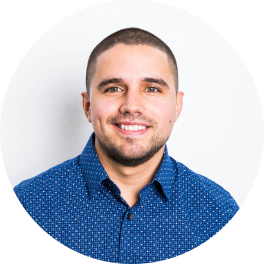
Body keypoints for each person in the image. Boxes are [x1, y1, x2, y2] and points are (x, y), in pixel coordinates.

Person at [13, 27, 240, 263]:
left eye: (152, 89)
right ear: (88, 106)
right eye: (114, 88)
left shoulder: (218, 211)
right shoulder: (30, 203)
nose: (132, 106)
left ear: (177, 106)